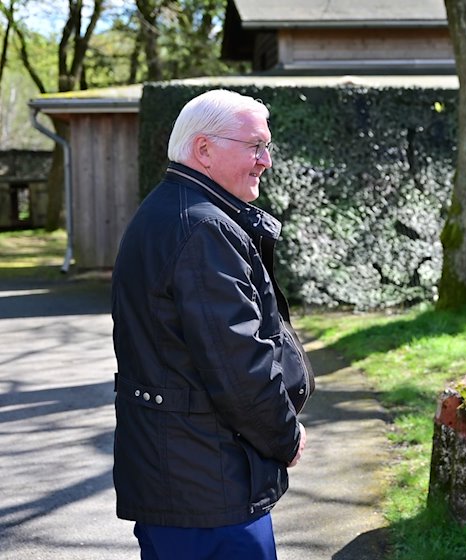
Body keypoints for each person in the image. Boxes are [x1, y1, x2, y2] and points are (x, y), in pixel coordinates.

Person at [111, 89, 315, 559]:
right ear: (204, 149)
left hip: (183, 477)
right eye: (255, 146)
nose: (265, 161)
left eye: (267, 147)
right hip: (210, 488)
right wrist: (286, 437)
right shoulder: (204, 228)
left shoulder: (171, 211)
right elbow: (238, 366)